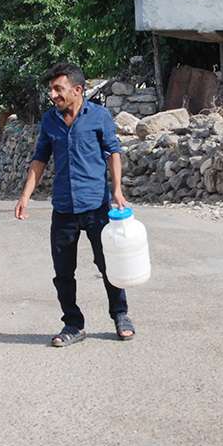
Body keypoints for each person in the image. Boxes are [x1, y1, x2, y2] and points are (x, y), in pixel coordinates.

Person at [15, 62, 136, 347]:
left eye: (59, 89)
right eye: (51, 90)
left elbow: (113, 153)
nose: (53, 95)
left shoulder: (99, 116)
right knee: (63, 271)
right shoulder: (50, 121)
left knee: (109, 265)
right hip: (64, 208)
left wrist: (117, 190)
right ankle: (73, 324)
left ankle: (120, 315)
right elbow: (40, 159)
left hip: (97, 206)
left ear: (78, 90)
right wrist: (25, 196)